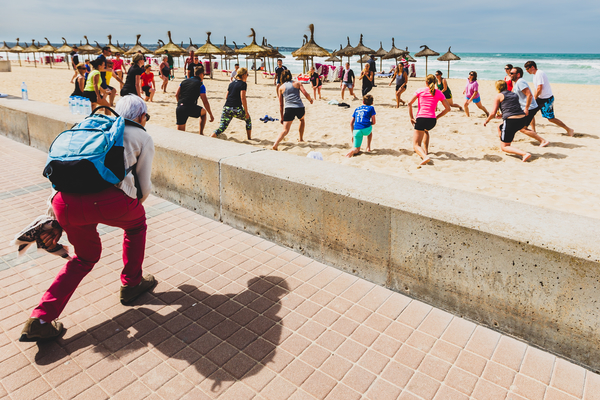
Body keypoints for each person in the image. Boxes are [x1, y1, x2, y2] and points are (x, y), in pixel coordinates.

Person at [19, 95, 156, 342]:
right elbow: (144, 187)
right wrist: (133, 208)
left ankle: (39, 319)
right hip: (111, 202)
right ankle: (132, 283)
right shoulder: (142, 136)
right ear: (140, 116)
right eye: (146, 116)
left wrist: (55, 215)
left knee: (84, 258)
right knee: (136, 227)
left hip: (65, 203)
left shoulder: (89, 128)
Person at [484, 80, 549, 162]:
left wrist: (486, 121)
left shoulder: (498, 96)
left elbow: (493, 113)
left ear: (497, 87)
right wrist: (502, 114)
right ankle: (506, 142)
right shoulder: (514, 94)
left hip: (511, 121)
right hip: (522, 119)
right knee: (500, 126)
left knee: (504, 147)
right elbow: (512, 107)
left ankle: (523, 153)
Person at [408, 74, 451, 165]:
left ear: (426, 82)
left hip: (421, 118)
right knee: (426, 130)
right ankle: (426, 151)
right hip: (432, 121)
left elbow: (409, 103)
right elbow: (448, 108)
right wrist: (437, 117)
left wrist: (411, 117)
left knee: (416, 145)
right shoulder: (439, 92)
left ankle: (425, 156)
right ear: (435, 82)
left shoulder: (420, 90)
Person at [524, 60, 574, 136]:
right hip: (539, 99)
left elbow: (539, 88)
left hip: (546, 99)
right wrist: (534, 99)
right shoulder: (535, 75)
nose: (527, 71)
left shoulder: (539, 73)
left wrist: (534, 98)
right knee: (530, 113)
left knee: (550, 118)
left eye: (527, 69)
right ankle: (533, 131)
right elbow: (536, 88)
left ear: (532, 67)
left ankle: (569, 129)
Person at [273, 70, 313, 150]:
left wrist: (282, 117)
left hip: (289, 109)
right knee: (301, 119)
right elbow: (305, 93)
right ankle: (301, 138)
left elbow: (281, 104)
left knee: (285, 130)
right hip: (299, 107)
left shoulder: (281, 88)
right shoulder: (298, 83)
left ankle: (276, 143)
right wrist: (310, 100)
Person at [212, 67, 252, 139]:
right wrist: (246, 112)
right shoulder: (243, 84)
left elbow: (226, 97)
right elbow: (243, 98)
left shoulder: (231, 83)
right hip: (236, 109)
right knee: (248, 120)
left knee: (222, 127)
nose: (247, 76)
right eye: (247, 74)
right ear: (243, 75)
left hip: (226, 108)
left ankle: (212, 136)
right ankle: (249, 138)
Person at [175, 65, 214, 134]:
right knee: (204, 113)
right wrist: (210, 114)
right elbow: (205, 102)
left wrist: (180, 103)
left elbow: (176, 94)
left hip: (180, 107)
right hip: (190, 107)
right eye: (203, 75)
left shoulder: (183, 82)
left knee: (180, 133)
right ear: (201, 74)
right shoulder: (200, 85)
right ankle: (201, 133)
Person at [511, 67, 539, 132]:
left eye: (512, 73)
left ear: (518, 74)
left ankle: (542, 140)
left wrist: (526, 108)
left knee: (522, 128)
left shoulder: (520, 82)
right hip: (524, 108)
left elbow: (529, 95)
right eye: (510, 73)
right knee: (520, 126)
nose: (510, 74)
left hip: (530, 108)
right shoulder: (516, 82)